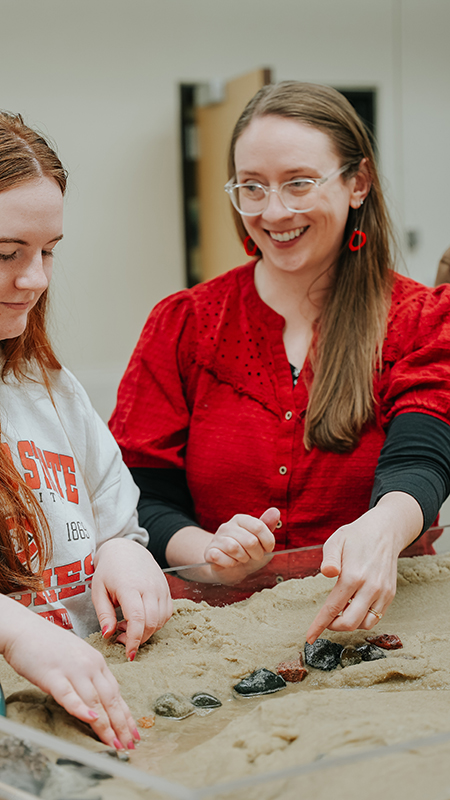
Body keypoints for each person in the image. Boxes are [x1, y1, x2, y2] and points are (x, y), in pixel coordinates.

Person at [110, 81, 450, 645]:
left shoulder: (420, 318)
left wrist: (384, 528)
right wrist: (209, 553)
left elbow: (423, 457)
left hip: (383, 632)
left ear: (357, 183)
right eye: (252, 187)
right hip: (220, 636)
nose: (273, 211)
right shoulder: (184, 323)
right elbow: (141, 496)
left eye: (298, 183)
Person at [0, 111, 172, 751]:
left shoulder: (45, 381)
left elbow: (110, 507)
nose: (37, 278)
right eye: (6, 253)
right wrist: (13, 631)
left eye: (48, 252)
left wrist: (123, 550)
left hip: (91, 695)